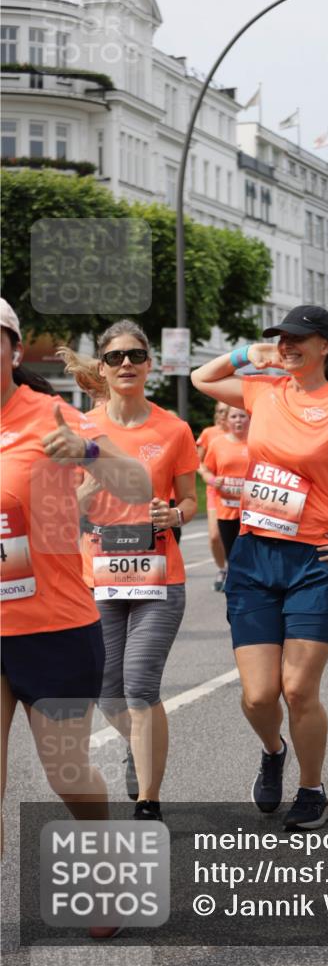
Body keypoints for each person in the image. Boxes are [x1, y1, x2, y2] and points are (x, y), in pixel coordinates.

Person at [191, 305, 328, 830]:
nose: (286, 345)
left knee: (297, 689)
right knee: (257, 695)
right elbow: (201, 377)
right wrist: (250, 353)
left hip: (317, 560)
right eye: (281, 338)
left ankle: (313, 790)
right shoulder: (263, 392)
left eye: (297, 339)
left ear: (324, 347)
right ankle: (273, 750)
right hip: (255, 556)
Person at [1, 300, 151, 937]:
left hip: (54, 627)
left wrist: (88, 449)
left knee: (65, 772)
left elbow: (138, 485)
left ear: (12, 349)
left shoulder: (50, 414)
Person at [77, 320, 199, 821]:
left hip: (158, 577)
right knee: (108, 694)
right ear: (102, 368)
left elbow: (190, 500)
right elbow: (55, 504)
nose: (126, 363)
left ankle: (149, 799)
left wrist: (175, 516)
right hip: (97, 578)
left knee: (140, 685)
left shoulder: (174, 429)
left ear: (150, 365)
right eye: (115, 357)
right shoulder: (81, 429)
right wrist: (81, 495)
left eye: (135, 355)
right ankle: (139, 744)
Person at [199, 406, 250, 563]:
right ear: (226, 421)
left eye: (242, 416)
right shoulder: (217, 443)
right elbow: (206, 470)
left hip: (250, 507)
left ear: (250, 419)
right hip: (226, 507)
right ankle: (225, 570)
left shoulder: (257, 443)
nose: (238, 420)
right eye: (233, 417)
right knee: (230, 551)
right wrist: (213, 481)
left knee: (249, 551)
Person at [196, 402, 231, 590]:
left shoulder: (244, 429)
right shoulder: (210, 433)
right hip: (216, 491)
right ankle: (222, 568)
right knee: (215, 536)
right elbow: (197, 461)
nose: (223, 414)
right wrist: (209, 478)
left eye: (227, 410)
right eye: (220, 411)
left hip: (240, 493)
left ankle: (237, 570)